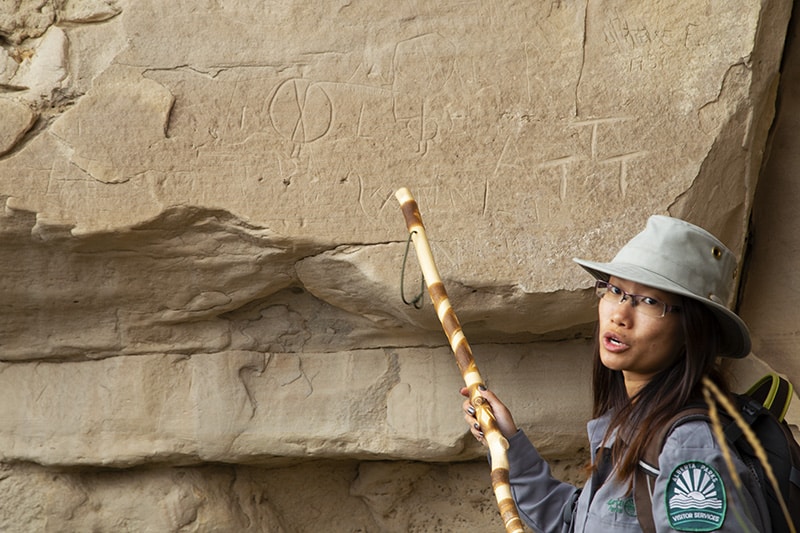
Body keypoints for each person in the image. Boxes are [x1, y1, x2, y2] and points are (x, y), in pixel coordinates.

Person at [462, 215, 770, 532]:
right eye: (614, 290)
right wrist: (504, 441)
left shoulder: (687, 447)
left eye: (649, 301)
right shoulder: (631, 423)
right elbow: (575, 523)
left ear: (693, 332)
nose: (620, 314)